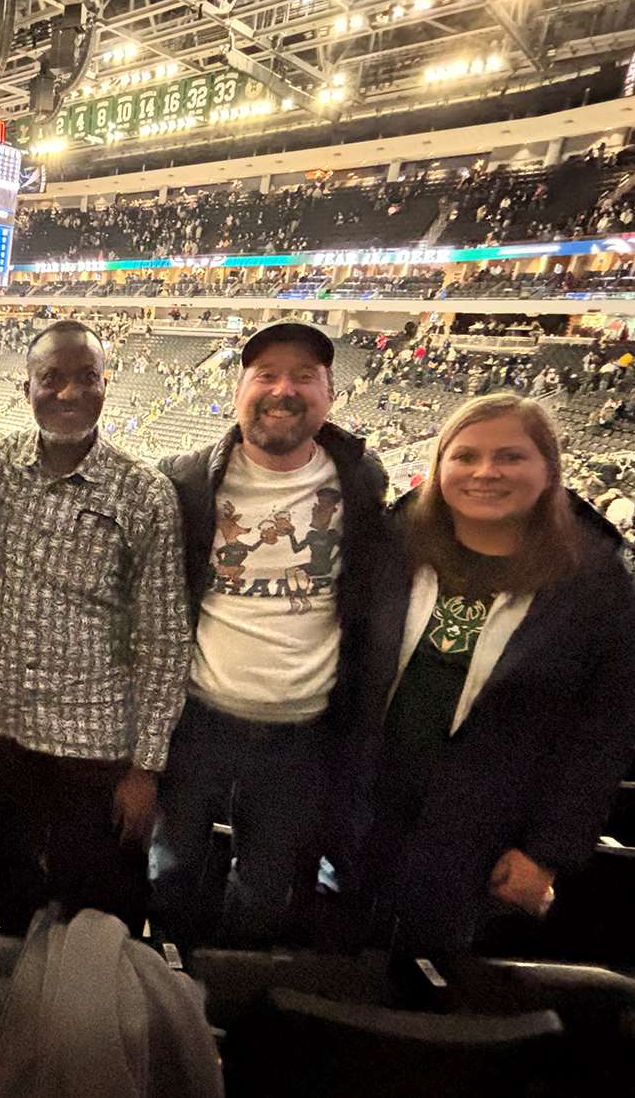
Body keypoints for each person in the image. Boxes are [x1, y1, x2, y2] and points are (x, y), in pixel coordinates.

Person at [337, 394, 635, 954]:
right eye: (465, 456)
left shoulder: (601, 585)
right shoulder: (392, 547)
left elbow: (603, 737)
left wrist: (547, 851)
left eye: (510, 457)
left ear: (549, 470)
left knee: (431, 978)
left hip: (483, 838)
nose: (485, 472)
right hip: (362, 812)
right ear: (439, 468)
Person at [151, 322, 387, 951]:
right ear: (239, 389)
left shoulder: (362, 481)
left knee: (265, 885)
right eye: (267, 374)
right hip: (197, 719)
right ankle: (169, 981)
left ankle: (230, 992)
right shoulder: (187, 480)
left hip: (302, 731)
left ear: (331, 394)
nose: (284, 389)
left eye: (304, 376)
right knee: (169, 867)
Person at [0, 320, 189, 934]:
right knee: (13, 891)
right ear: (26, 388)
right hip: (0, 731)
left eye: (85, 378)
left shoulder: (144, 493)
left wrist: (145, 769)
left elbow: (166, 639)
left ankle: (87, 1024)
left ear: (105, 386)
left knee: (96, 910)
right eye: (51, 378)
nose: (68, 394)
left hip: (93, 745)